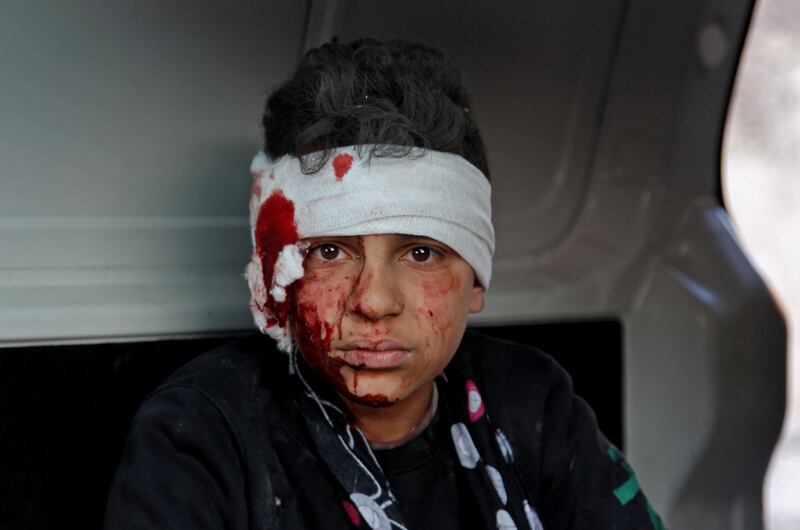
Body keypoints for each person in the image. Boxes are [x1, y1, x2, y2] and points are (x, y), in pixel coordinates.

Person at [104, 39, 664, 530]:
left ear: (476, 279)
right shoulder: (200, 436)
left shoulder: (529, 400)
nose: (373, 300)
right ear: (275, 284)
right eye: (329, 252)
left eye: (422, 253)